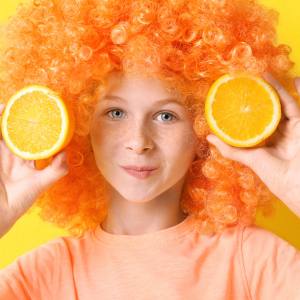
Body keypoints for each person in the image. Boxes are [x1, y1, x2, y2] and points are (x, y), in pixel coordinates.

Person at [0, 0, 300, 299]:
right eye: (115, 113)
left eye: (165, 116)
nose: (139, 141)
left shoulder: (253, 261)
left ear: (203, 128)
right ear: (80, 122)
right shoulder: (40, 277)